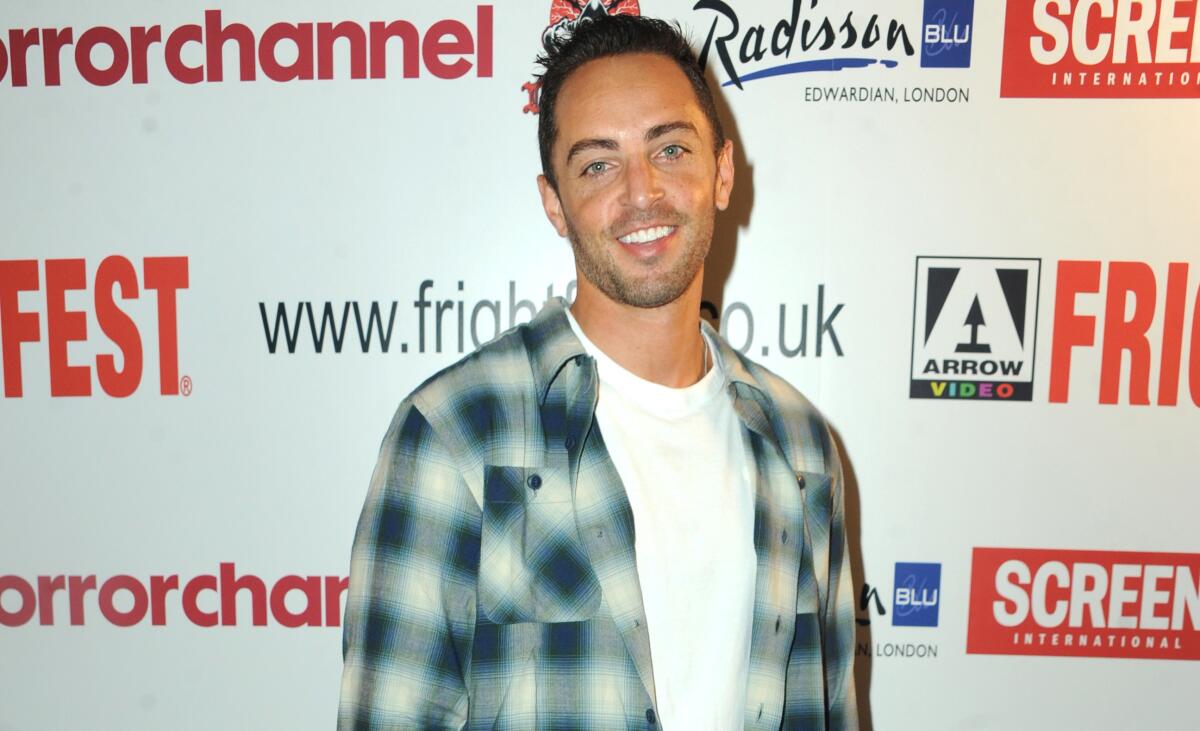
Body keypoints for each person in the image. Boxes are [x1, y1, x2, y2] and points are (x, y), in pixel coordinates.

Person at [338, 14, 856, 731]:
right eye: (599, 164)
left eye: (670, 149)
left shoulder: (798, 443)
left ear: (723, 173)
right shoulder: (457, 430)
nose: (642, 192)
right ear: (554, 203)